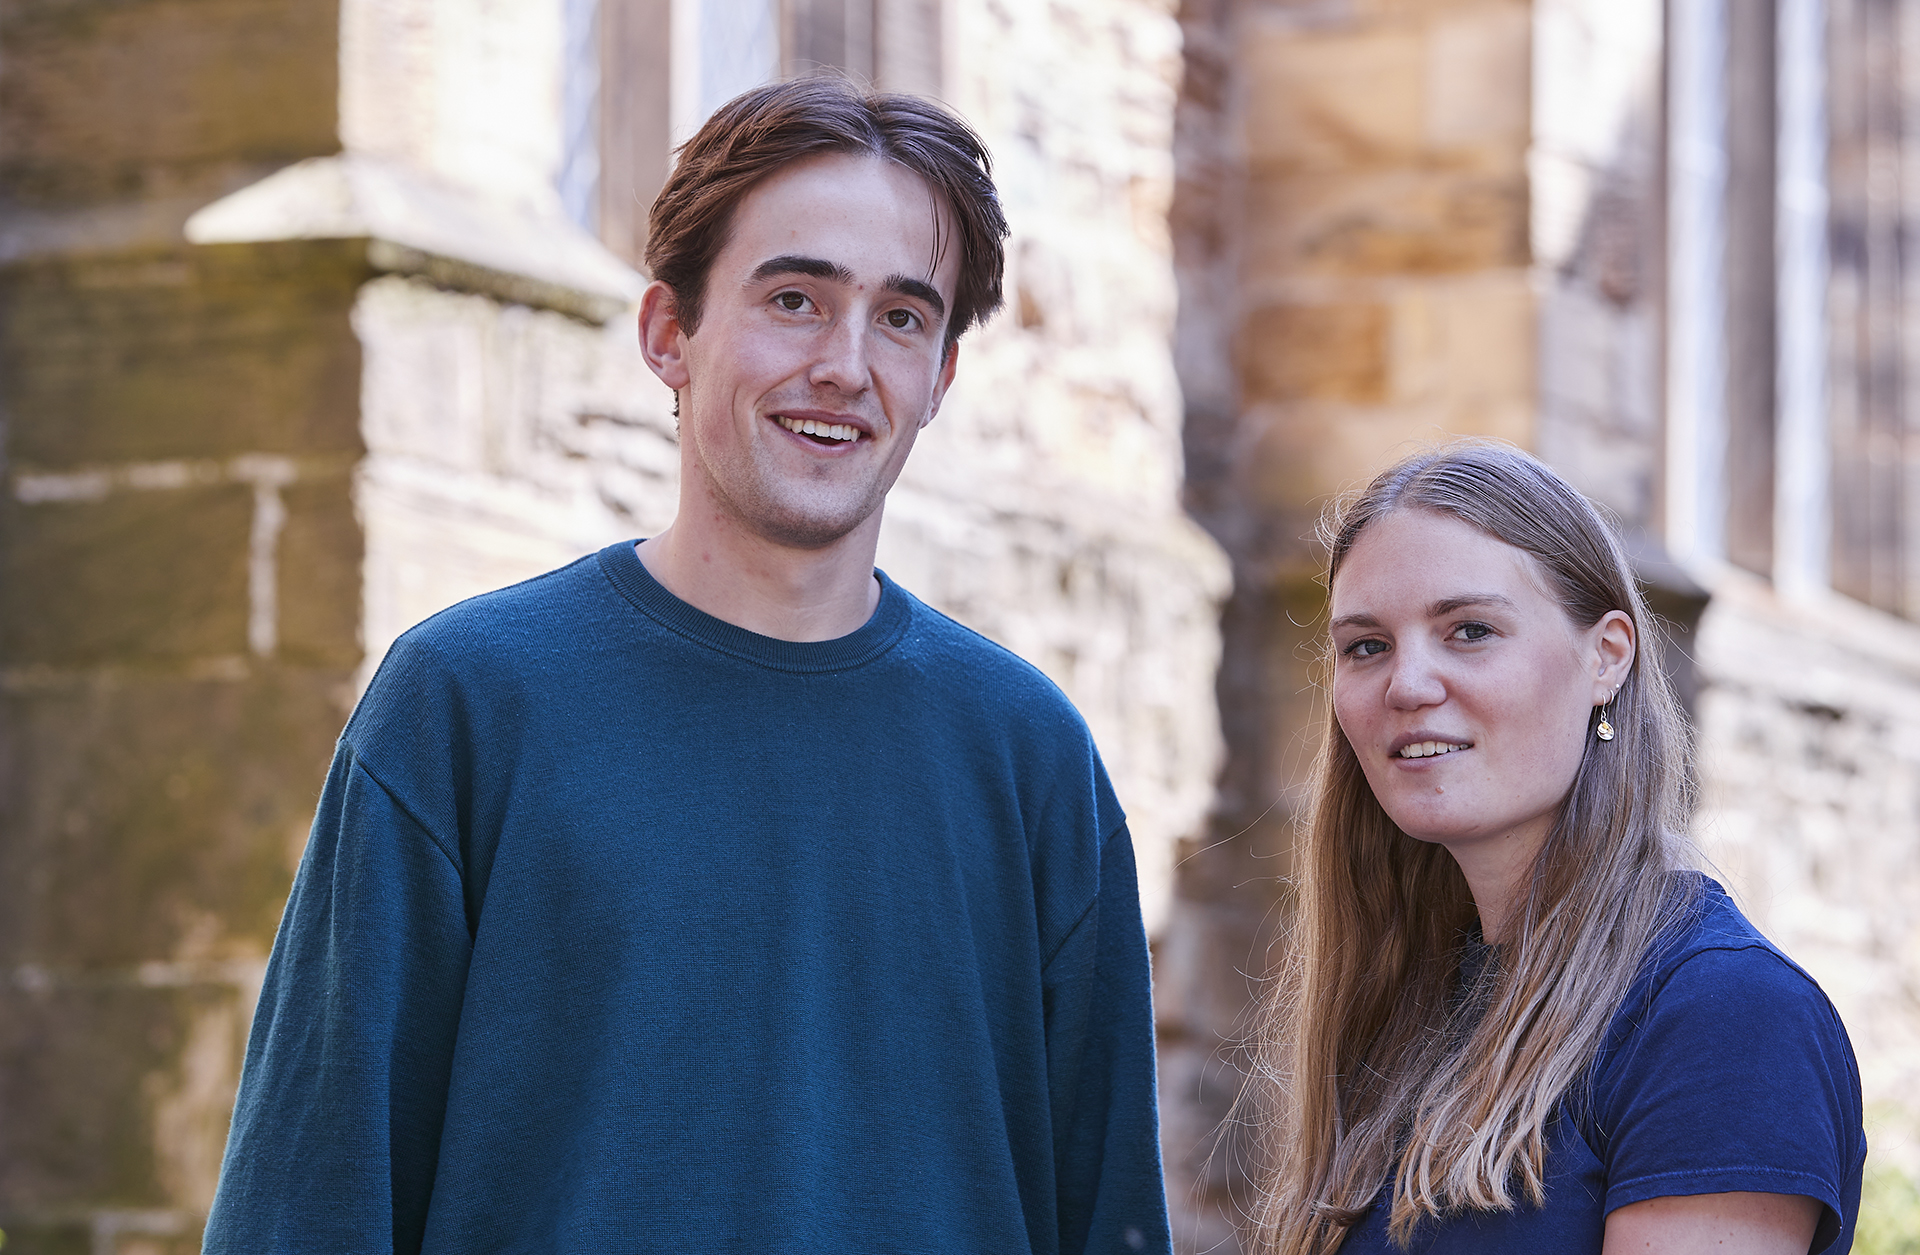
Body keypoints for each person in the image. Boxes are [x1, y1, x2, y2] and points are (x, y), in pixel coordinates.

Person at [202, 77, 1172, 1254]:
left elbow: (1108, 1216)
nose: (845, 364)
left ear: (941, 381)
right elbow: (309, 1203)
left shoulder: (1029, 758)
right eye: (795, 299)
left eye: (903, 318)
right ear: (670, 332)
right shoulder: (465, 704)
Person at [1248, 443, 1865, 1255]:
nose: (1407, 684)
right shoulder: (1418, 999)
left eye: (1469, 630)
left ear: (1607, 655)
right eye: (1367, 645)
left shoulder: (1723, 1016)